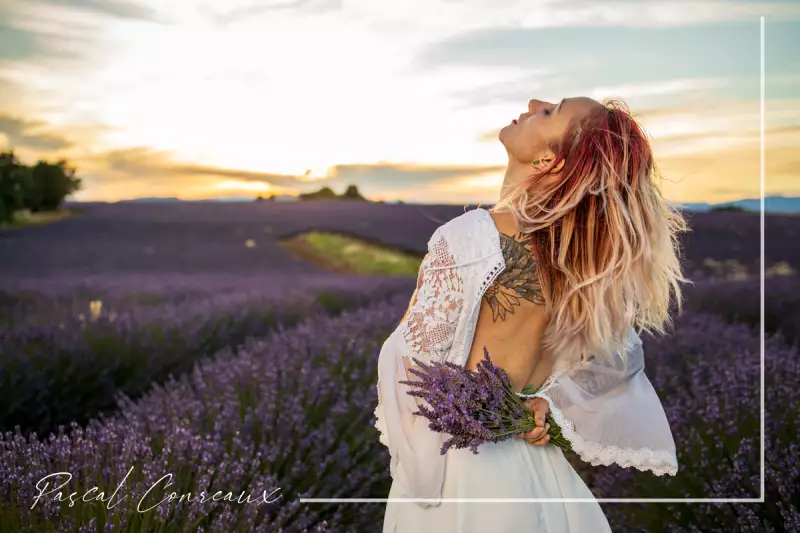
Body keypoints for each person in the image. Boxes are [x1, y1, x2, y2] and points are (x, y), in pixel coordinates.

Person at [374, 96, 689, 532]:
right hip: (542, 475)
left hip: (464, 476)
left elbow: (408, 366)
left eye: (550, 112)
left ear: (548, 160)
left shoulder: (469, 236)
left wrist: (419, 482)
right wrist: (549, 404)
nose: (533, 103)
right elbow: (620, 361)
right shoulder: (580, 261)